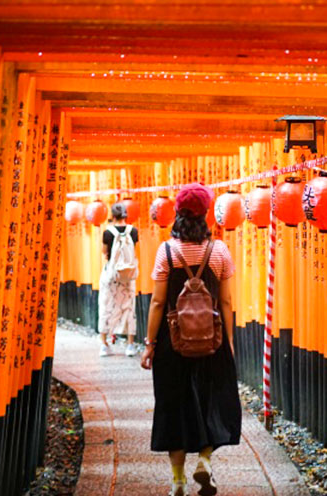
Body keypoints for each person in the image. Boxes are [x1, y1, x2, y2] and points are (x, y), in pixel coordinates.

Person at [141, 183, 241, 496]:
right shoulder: (219, 250)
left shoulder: (166, 251)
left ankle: (177, 481)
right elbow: (225, 302)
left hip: (173, 343)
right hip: (212, 340)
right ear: (208, 212)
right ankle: (206, 462)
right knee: (213, 402)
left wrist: (150, 344)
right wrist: (229, 342)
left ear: (178, 213)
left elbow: (157, 302)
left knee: (174, 406)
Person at [98, 202, 139, 357]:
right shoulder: (133, 231)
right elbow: (135, 252)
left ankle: (104, 344)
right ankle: (130, 345)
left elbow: (104, 252)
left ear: (112, 216)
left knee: (106, 306)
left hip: (111, 274)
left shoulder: (107, 233)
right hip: (128, 276)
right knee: (129, 307)